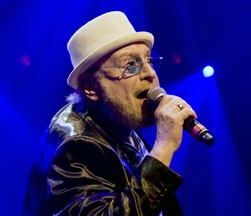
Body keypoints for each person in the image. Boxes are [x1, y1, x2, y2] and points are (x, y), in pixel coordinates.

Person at [22, 11, 197, 215]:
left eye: (149, 60)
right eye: (130, 65)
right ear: (91, 87)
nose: (150, 73)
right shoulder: (76, 144)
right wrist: (163, 148)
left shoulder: (118, 122)